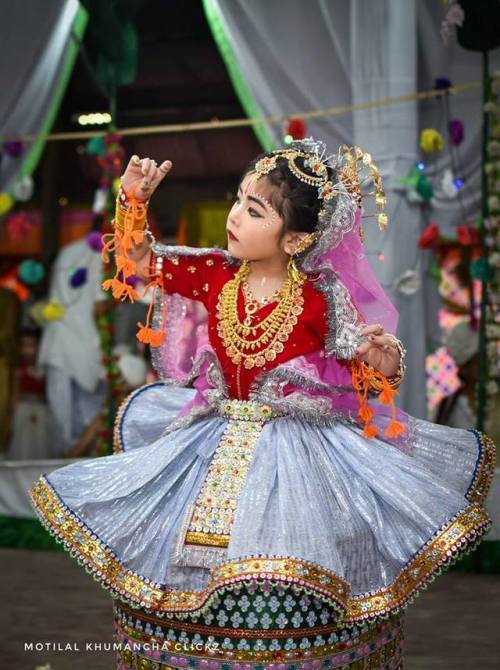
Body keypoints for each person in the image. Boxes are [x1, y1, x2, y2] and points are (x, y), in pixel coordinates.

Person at [30, 139, 496, 669]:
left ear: (295, 238)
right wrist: (131, 204)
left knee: (288, 570)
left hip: (300, 450)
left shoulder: (321, 294)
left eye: (254, 211)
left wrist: (383, 358)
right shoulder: (213, 272)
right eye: (238, 201)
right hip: (212, 437)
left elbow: (361, 370)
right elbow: (137, 263)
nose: (234, 217)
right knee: (184, 570)